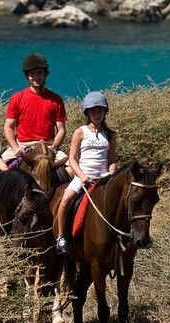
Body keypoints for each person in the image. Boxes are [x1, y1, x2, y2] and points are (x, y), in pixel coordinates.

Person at [55, 91, 117, 253]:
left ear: (105, 112)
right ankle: (61, 237)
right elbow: (73, 159)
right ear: (87, 113)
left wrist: (111, 174)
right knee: (65, 200)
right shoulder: (80, 132)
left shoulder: (110, 135)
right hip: (83, 175)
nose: (97, 114)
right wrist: (82, 177)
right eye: (93, 111)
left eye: (100, 111)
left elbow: (111, 161)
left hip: (103, 177)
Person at [2, 53, 70, 172]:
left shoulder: (56, 99)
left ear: (45, 74)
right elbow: (8, 127)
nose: (36, 77)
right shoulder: (17, 97)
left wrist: (54, 148)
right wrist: (15, 148)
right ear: (27, 76)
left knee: (72, 170)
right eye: (32, 73)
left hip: (47, 146)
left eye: (39, 72)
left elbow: (61, 130)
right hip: (22, 145)